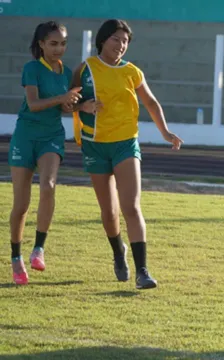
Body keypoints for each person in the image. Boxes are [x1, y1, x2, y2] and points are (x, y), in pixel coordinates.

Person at [71, 19, 183, 290]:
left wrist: (165, 133)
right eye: (116, 40)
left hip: (125, 144)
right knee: (109, 214)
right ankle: (118, 252)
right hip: (95, 145)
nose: (121, 46)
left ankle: (143, 271)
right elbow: (67, 103)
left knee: (131, 206)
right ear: (102, 40)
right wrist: (83, 106)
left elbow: (151, 103)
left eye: (125, 42)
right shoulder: (85, 69)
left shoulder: (132, 72)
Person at [8, 21, 83, 285]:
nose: (58, 49)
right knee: (21, 205)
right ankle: (15, 257)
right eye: (53, 43)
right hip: (25, 136)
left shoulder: (67, 73)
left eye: (63, 43)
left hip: (51, 137)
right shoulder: (32, 69)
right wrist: (62, 99)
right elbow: (34, 103)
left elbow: (65, 108)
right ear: (41, 44)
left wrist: (80, 106)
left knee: (49, 186)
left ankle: (39, 248)